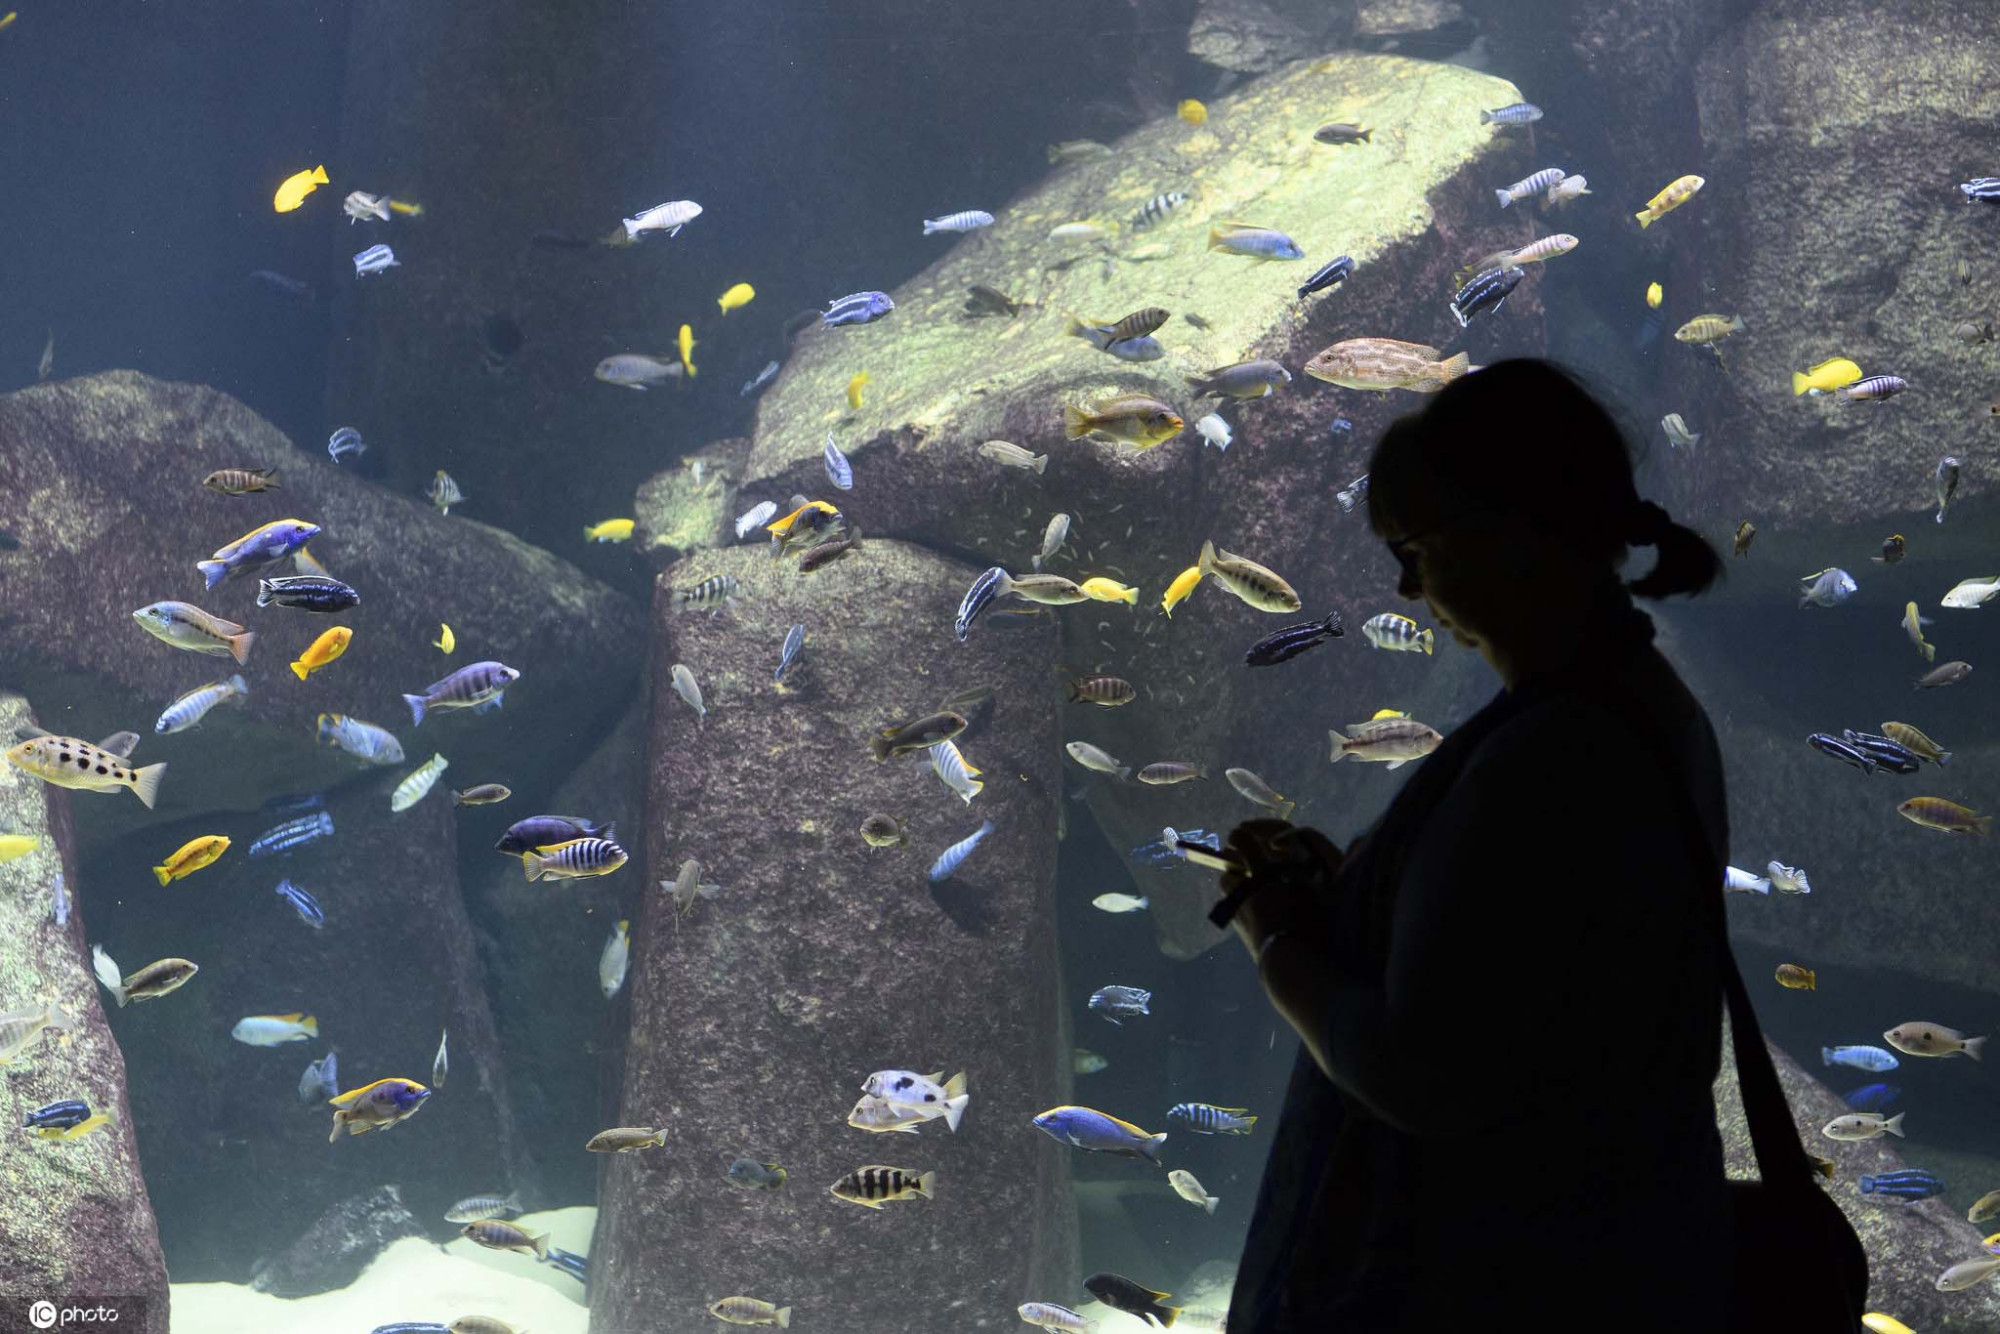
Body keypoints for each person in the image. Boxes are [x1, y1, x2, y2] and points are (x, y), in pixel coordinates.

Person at [1218, 360, 1736, 1330]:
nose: (1407, 586)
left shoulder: (1554, 753)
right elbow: (1514, 962)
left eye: (1415, 546)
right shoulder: (1641, 708)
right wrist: (1358, 896)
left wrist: (1277, 935)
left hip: (1507, 1274)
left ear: (1515, 526)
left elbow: (1421, 1071)